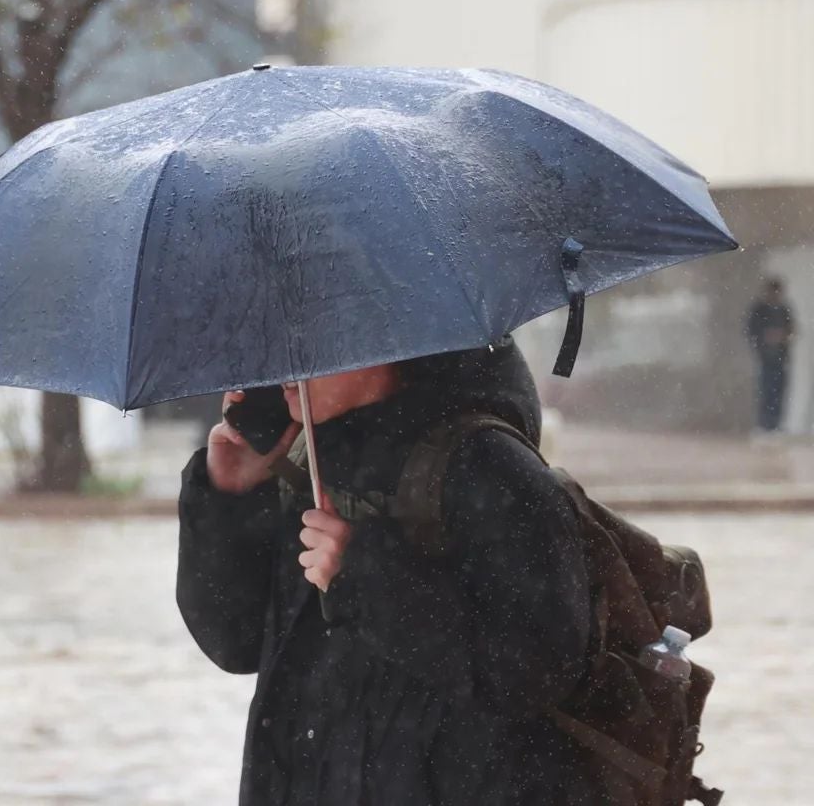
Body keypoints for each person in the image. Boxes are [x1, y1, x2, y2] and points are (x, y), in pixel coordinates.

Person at [176, 342, 601, 805]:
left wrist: (362, 571)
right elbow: (235, 642)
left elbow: (537, 670)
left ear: (386, 345)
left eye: (309, 337)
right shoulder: (308, 461)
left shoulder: (491, 467)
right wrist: (228, 497)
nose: (285, 362)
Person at [745, 278, 795, 433]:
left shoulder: (784, 309)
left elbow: (792, 329)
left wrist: (784, 336)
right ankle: (764, 424)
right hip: (765, 358)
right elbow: (751, 331)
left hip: (781, 358)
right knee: (766, 390)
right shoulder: (759, 309)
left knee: (779, 390)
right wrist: (765, 339)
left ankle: (775, 425)